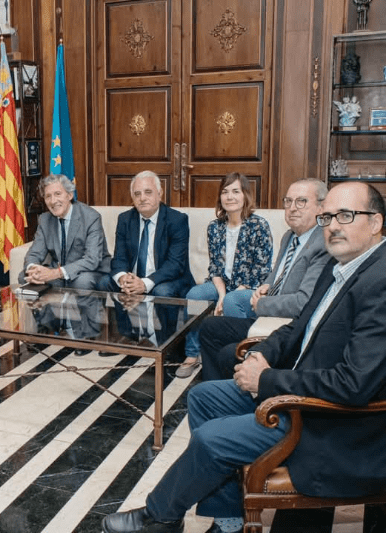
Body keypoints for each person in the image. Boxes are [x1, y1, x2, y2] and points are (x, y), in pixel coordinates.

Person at [101, 181, 386, 533]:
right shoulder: (340, 266)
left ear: (375, 222)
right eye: (327, 217)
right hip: (301, 396)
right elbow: (298, 328)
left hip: (328, 423)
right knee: (203, 396)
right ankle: (230, 518)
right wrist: (260, 354)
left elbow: (354, 384)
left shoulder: (379, 282)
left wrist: (266, 380)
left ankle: (159, 516)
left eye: (345, 216)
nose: (332, 226)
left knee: (211, 439)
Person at [200, 179, 330, 381]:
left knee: (227, 351)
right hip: (271, 306)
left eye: (301, 201)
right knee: (209, 326)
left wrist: (262, 303)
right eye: (288, 201)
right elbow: (276, 273)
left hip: (289, 324)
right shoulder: (290, 236)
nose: (292, 208)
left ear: (322, 207)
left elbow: (304, 302)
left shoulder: (323, 244)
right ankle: (213, 387)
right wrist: (266, 286)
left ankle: (226, 387)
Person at [177, 172, 272, 378]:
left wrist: (230, 295)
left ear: (245, 195)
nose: (230, 197)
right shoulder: (215, 227)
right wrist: (221, 295)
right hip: (222, 283)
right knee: (195, 295)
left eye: (235, 191)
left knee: (232, 300)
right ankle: (192, 354)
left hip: (251, 286)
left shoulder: (259, 225)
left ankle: (235, 357)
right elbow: (215, 268)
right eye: (225, 192)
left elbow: (261, 269)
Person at [97, 170, 194, 297]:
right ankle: (122, 310)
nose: (142, 198)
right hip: (134, 278)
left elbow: (175, 264)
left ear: (160, 194)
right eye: (137, 194)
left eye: (148, 192)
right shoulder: (125, 219)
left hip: (166, 279)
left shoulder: (177, 220)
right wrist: (123, 278)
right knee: (104, 283)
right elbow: (120, 258)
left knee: (162, 291)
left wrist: (144, 283)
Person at [21, 174, 111, 290]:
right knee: (24, 277)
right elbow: (35, 253)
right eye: (48, 196)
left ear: (70, 195)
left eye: (58, 194)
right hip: (58, 273)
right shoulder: (45, 219)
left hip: (88, 271)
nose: (53, 201)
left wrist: (56, 273)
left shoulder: (91, 217)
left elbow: (92, 259)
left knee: (82, 282)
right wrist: (33, 270)